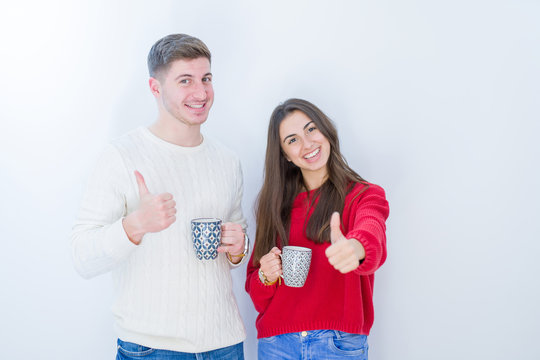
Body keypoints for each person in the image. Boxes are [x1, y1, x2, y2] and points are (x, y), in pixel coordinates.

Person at [71, 34, 249, 360]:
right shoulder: (121, 156)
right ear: (155, 88)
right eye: (185, 81)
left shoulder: (228, 161)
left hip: (224, 344)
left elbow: (235, 246)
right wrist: (135, 225)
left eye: (206, 78)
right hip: (151, 349)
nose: (201, 92)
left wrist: (238, 248)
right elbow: (82, 257)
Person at [245, 98, 389, 359]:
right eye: (292, 140)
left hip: (338, 345)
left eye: (311, 129)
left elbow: (371, 233)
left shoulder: (364, 195)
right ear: (285, 156)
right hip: (276, 345)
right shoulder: (274, 207)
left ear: (326, 130)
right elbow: (257, 297)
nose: (307, 144)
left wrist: (355, 249)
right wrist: (266, 275)